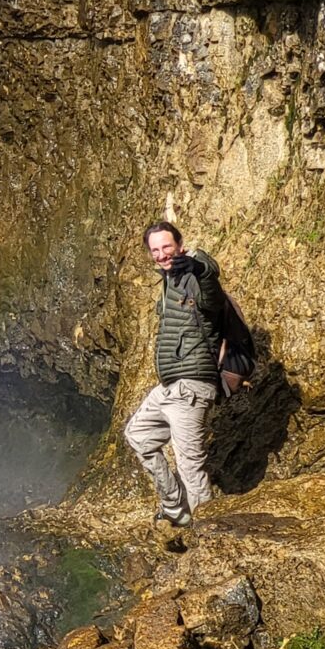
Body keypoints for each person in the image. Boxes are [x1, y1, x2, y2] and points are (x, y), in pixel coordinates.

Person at [123, 220, 244, 537]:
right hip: (170, 387)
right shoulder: (168, 282)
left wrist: (199, 266)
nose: (162, 254)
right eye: (155, 250)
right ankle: (176, 509)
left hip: (191, 388)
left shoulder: (193, 276)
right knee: (138, 435)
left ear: (179, 245)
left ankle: (208, 537)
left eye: (167, 246)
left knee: (190, 466)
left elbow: (211, 293)